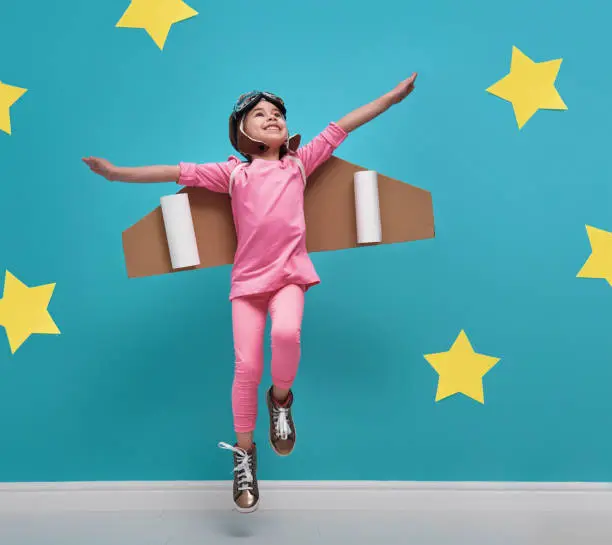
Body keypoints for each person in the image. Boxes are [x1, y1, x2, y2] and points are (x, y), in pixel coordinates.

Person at [82, 73, 417, 513]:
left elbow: (343, 126)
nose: (272, 118)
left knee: (286, 336)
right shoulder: (232, 174)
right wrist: (116, 174)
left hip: (290, 275)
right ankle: (245, 455)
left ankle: (281, 400)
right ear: (243, 131)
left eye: (277, 113)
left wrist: (390, 99)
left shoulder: (300, 163)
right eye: (260, 115)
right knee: (246, 366)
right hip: (247, 285)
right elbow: (174, 171)